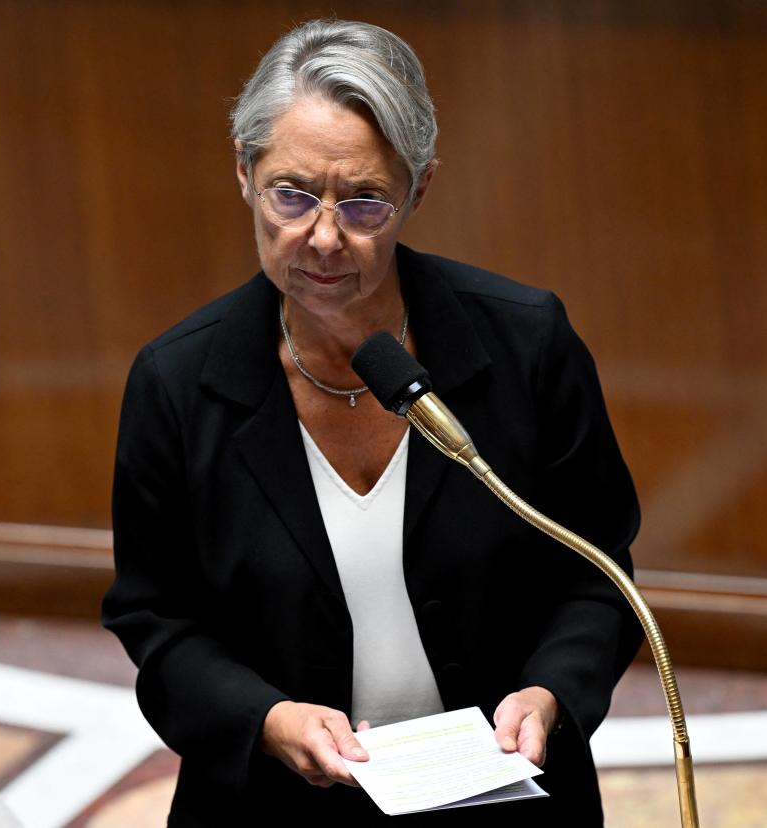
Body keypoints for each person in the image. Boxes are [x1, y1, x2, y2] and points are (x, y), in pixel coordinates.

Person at [102, 18, 641, 826]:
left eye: (363, 202)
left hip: (501, 795)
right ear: (244, 173)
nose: (322, 236)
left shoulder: (525, 343)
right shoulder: (177, 381)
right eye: (292, 193)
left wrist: (552, 692)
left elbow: (596, 570)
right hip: (275, 805)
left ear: (418, 191)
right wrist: (267, 718)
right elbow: (157, 616)